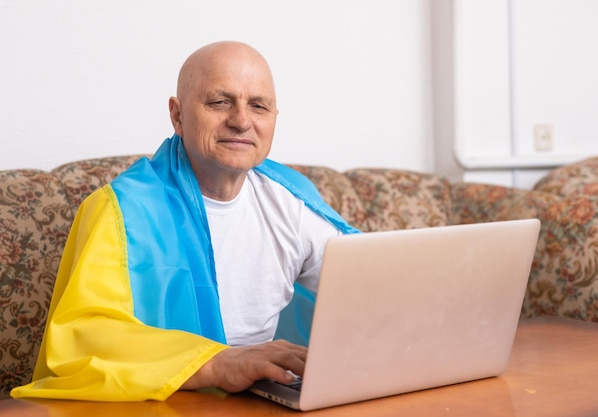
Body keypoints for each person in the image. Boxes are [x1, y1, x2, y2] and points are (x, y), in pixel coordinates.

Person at [11, 41, 358, 401]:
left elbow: (369, 287)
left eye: (258, 106)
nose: (241, 121)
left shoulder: (293, 198)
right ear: (177, 115)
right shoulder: (119, 209)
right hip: (161, 403)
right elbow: (82, 342)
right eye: (219, 102)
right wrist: (218, 364)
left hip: (257, 401)